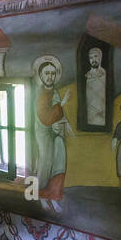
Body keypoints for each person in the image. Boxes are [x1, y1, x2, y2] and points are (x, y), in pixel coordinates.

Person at [33, 56, 73, 213]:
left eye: (52, 73)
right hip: (43, 132)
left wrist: (65, 123)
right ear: (41, 75)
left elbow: (58, 113)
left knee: (59, 162)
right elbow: (46, 116)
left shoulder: (54, 91)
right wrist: (62, 104)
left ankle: (54, 196)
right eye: (47, 73)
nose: (50, 77)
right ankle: (42, 196)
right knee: (46, 164)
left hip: (56, 131)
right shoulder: (39, 93)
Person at [84, 46, 107, 127]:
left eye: (95, 56)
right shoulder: (88, 75)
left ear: (100, 57)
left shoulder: (104, 73)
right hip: (90, 108)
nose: (93, 60)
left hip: (101, 108)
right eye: (90, 58)